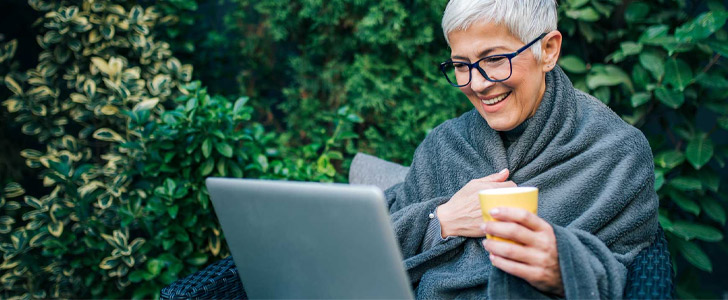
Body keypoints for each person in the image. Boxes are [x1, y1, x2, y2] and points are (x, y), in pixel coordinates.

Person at [384, 0, 659, 298]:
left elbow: (635, 273)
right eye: (461, 65)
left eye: (495, 59)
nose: (476, 84)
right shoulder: (443, 145)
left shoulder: (616, 152)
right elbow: (372, 243)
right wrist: (443, 219)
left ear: (549, 50)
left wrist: (564, 266)